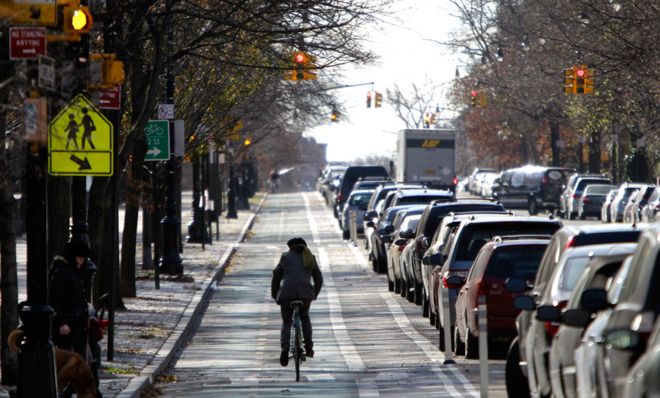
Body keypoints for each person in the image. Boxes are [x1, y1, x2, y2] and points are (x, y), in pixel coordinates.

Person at [271, 237, 323, 367]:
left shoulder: (285, 257)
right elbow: (319, 279)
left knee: (287, 322)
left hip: (287, 294)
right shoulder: (310, 257)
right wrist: (314, 294)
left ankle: (285, 347)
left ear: (290, 247)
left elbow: (276, 275)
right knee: (305, 317)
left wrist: (275, 294)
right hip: (306, 295)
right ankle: (309, 348)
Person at [49, 241, 90, 360]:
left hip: (76, 327)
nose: (81, 261)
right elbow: (54, 300)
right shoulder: (62, 274)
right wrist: (61, 322)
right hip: (67, 326)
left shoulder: (73, 273)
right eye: (79, 258)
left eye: (83, 258)